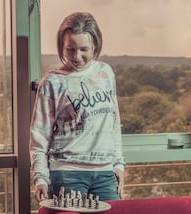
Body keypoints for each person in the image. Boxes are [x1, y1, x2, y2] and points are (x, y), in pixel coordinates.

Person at [30, 12, 125, 202]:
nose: (77, 56)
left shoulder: (106, 73)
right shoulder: (52, 81)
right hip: (66, 174)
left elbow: (113, 124)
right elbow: (39, 135)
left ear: (95, 46)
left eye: (84, 49)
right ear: (62, 47)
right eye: (70, 49)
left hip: (105, 174)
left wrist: (119, 165)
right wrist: (40, 177)